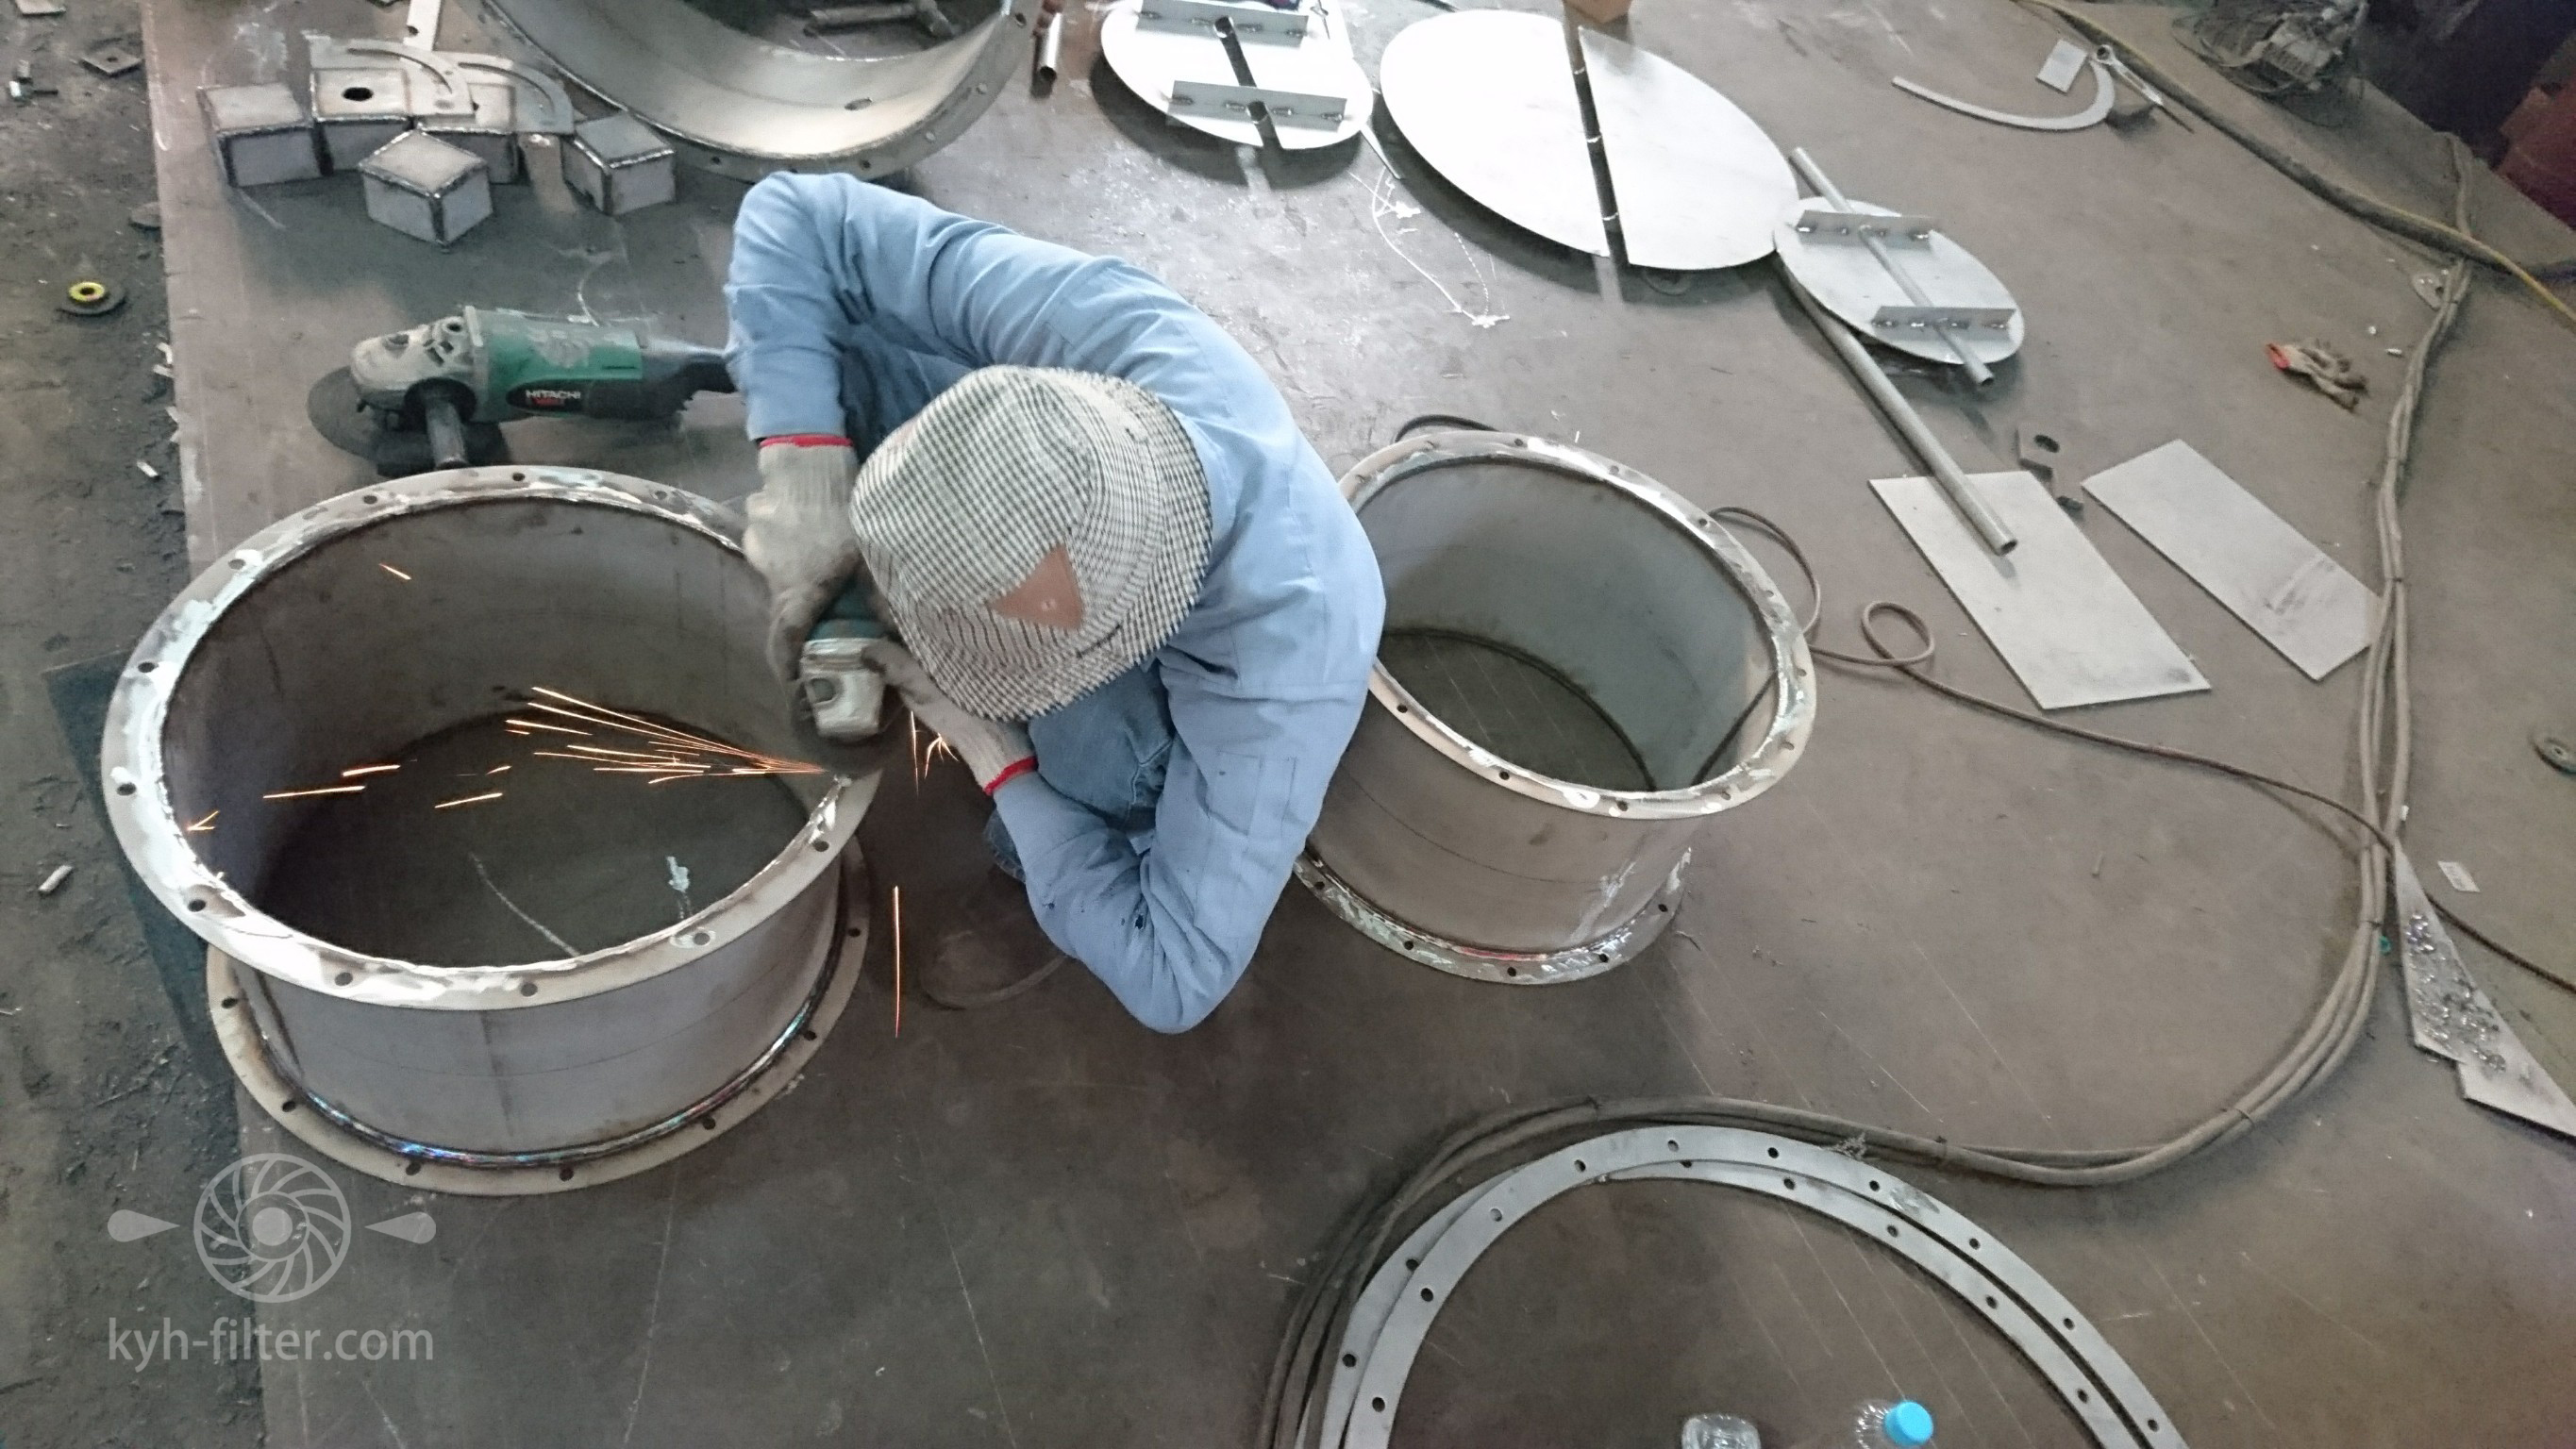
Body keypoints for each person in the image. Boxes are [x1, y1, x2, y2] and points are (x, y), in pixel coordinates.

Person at [725, 174, 1384, 1033]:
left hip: (1179, 689)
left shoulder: (1279, 674)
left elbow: (1175, 982)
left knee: (1099, 760)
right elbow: (793, 214)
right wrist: (805, 470)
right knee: (845, 351)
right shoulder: (1113, 325)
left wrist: (999, 757)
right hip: (1075, 501)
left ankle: (1041, 862)